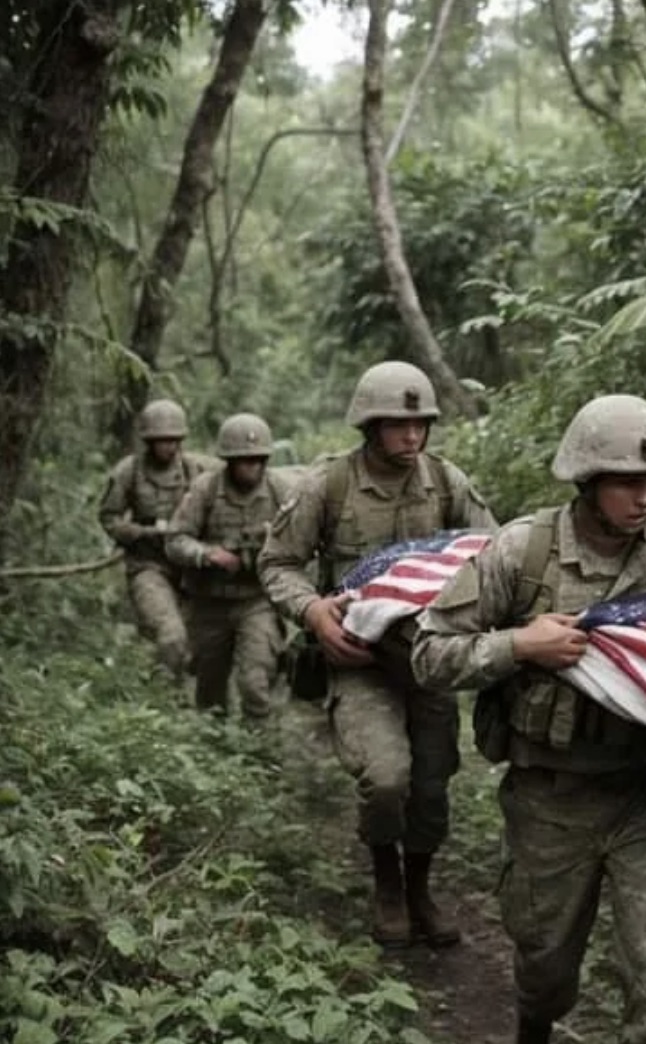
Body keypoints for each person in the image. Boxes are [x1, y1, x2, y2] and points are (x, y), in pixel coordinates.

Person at [412, 393, 646, 1044]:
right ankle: (534, 1024)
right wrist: (517, 646)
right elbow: (428, 654)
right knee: (546, 965)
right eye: (627, 482)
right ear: (588, 480)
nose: (644, 497)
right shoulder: (521, 553)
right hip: (549, 797)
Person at [257, 360, 497, 951]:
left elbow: (496, 554)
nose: (412, 435)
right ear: (369, 425)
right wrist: (313, 611)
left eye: (420, 423)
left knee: (433, 782)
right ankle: (387, 880)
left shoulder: (446, 482)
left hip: (429, 660)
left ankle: (420, 886)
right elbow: (277, 563)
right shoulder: (329, 485)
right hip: (360, 662)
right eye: (397, 423)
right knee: (387, 777)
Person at [165, 412, 291, 722]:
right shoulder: (206, 489)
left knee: (255, 681)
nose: (254, 467)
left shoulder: (280, 490)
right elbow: (175, 540)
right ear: (230, 461)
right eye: (246, 461)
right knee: (210, 689)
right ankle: (215, 755)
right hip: (209, 602)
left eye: (260, 459)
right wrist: (208, 555)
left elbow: (302, 542)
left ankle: (261, 757)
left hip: (256, 600)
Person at [98, 397, 214, 682]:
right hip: (148, 566)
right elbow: (109, 518)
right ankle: (165, 703)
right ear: (149, 441)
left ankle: (189, 705)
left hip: (189, 569)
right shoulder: (129, 471)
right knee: (171, 634)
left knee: (201, 644)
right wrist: (142, 532)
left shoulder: (195, 470)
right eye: (162, 440)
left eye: (174, 440)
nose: (169, 447)